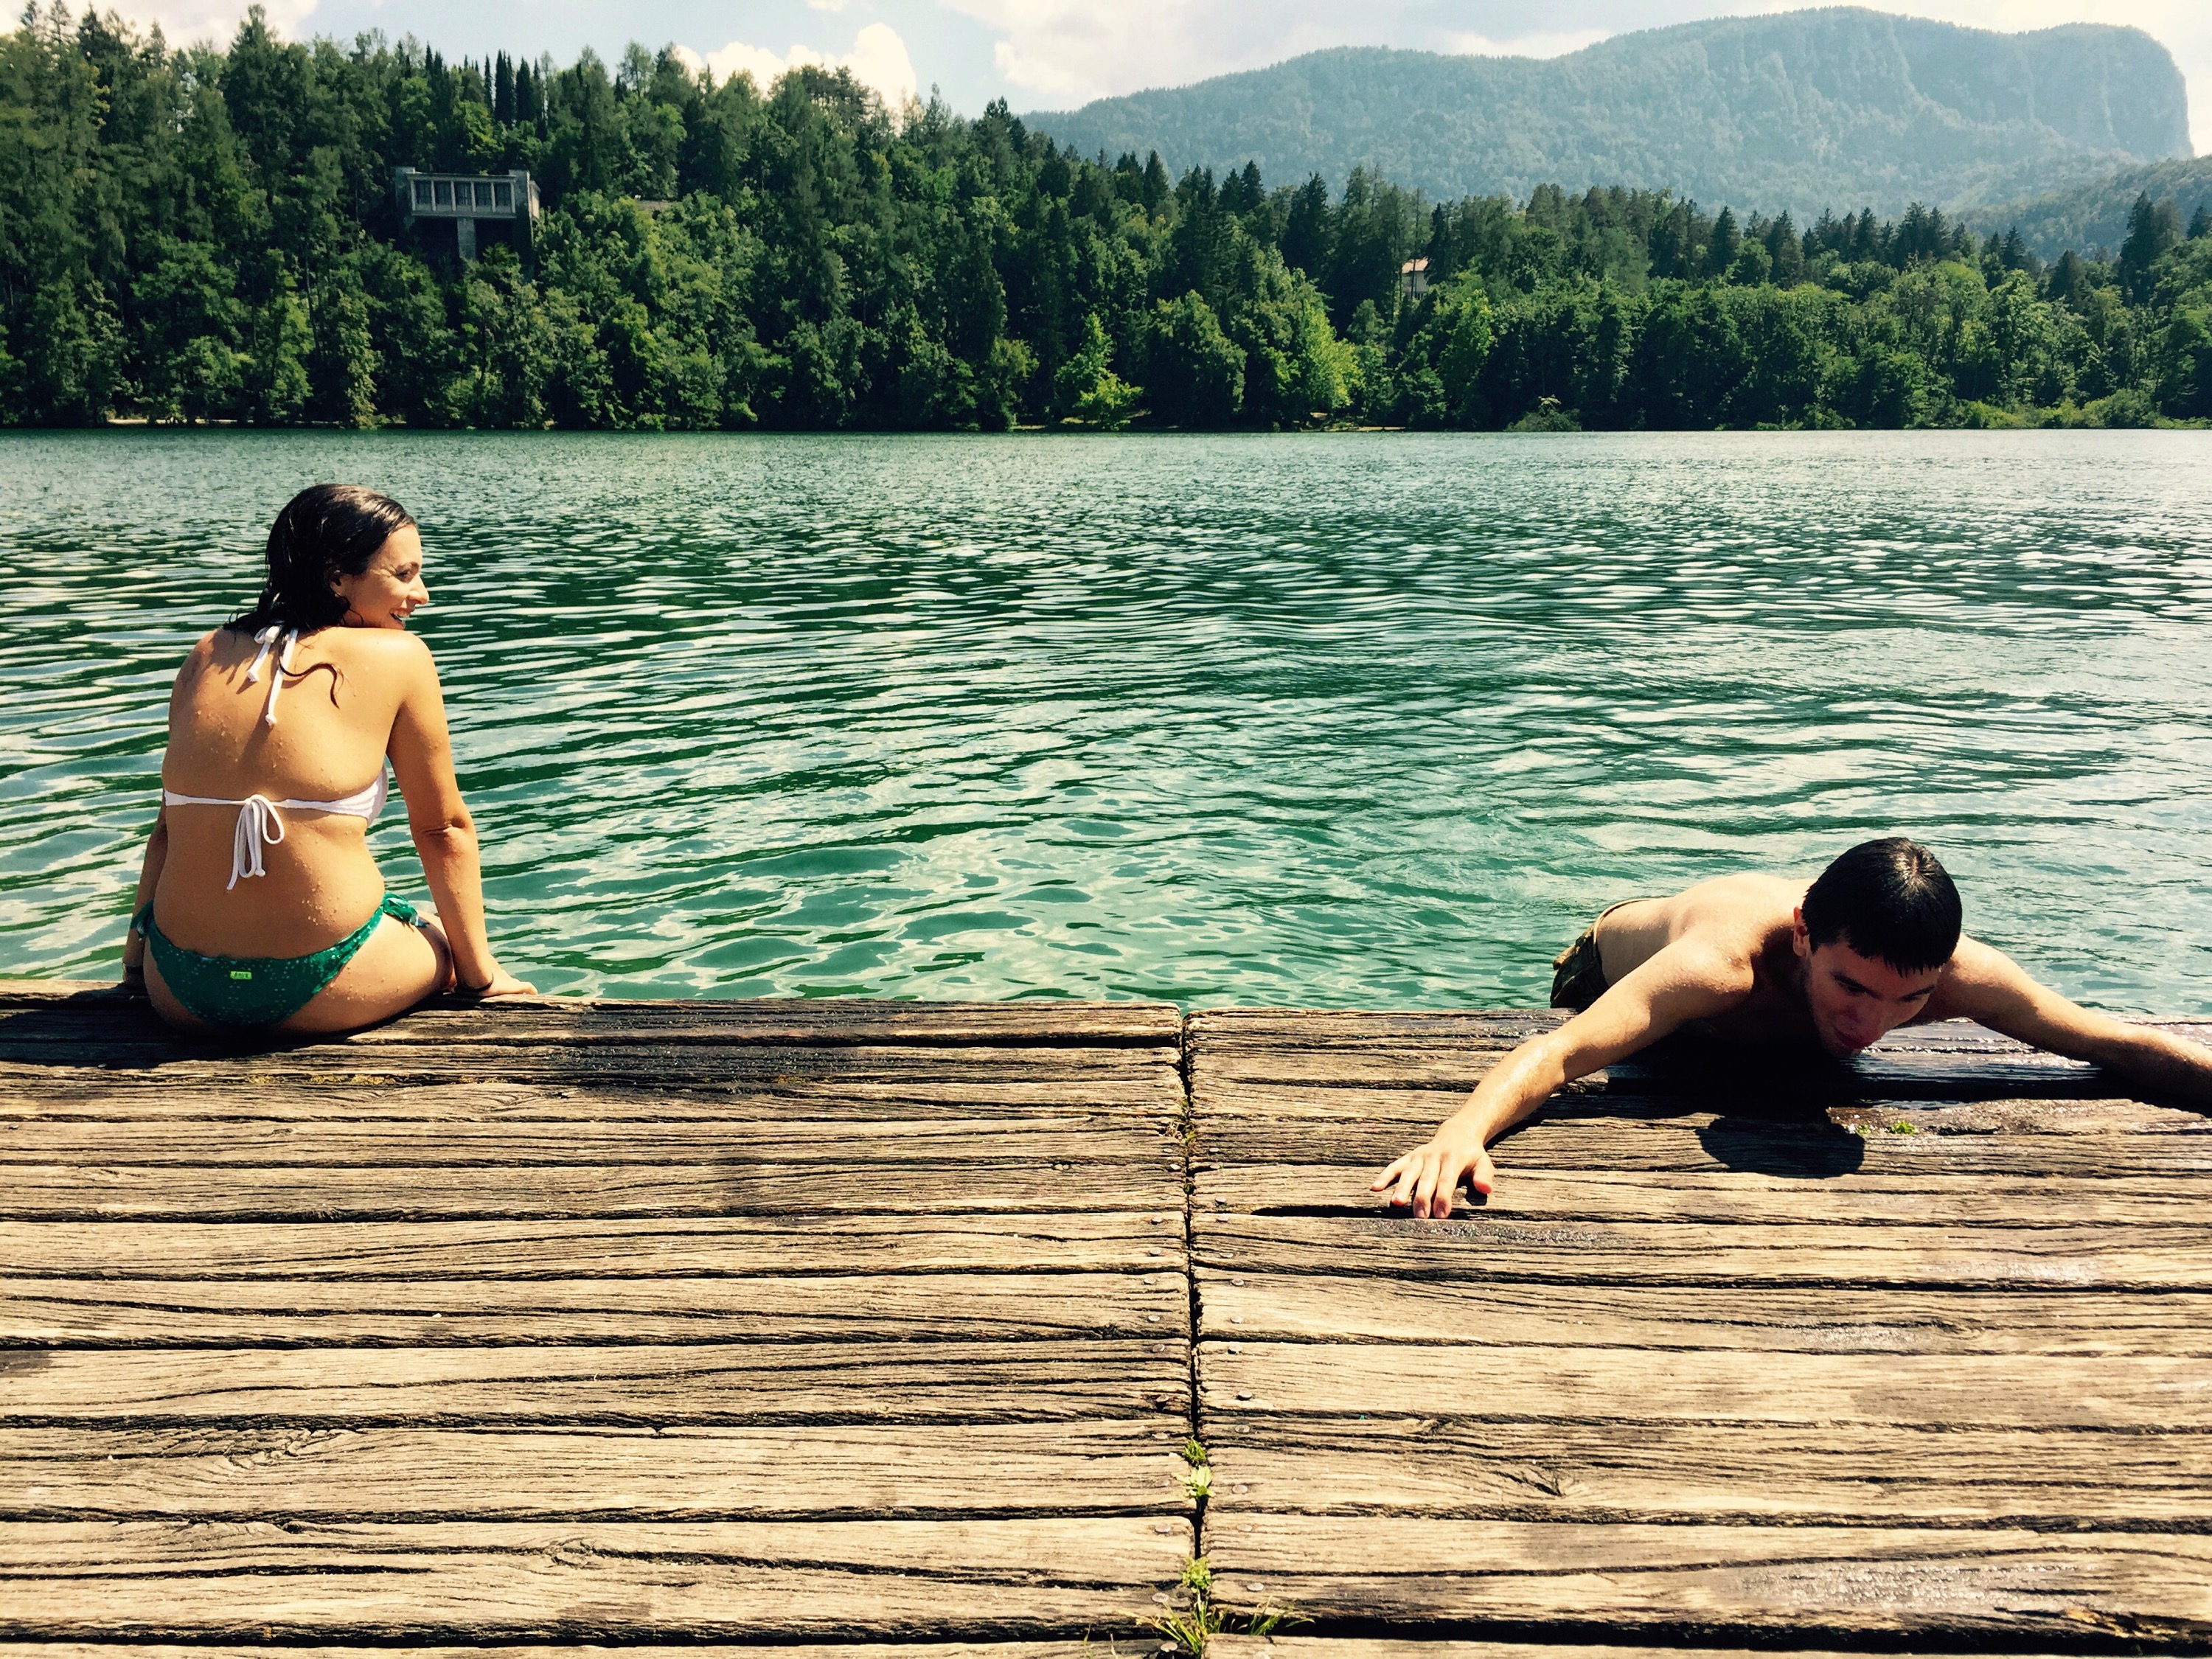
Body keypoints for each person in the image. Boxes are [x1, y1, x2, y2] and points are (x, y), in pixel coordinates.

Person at [1374, 838, 2212, 1217]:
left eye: (1906, 1003)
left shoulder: (1947, 975)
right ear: (1806, 936)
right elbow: (1558, 1053)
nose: (1872, 1024)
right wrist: (1460, 1133)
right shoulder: (1722, 966)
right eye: (1851, 988)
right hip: (1605, 964)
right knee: (1650, 1038)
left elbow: (2112, 1042)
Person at [121, 484, 534, 1034]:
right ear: (338, 576)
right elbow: (443, 830)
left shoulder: (210, 652)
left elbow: (167, 830)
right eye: (404, 575)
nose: (423, 594)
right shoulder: (402, 657)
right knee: (435, 932)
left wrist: (135, 969)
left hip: (177, 986)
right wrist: (480, 978)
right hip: (331, 981)